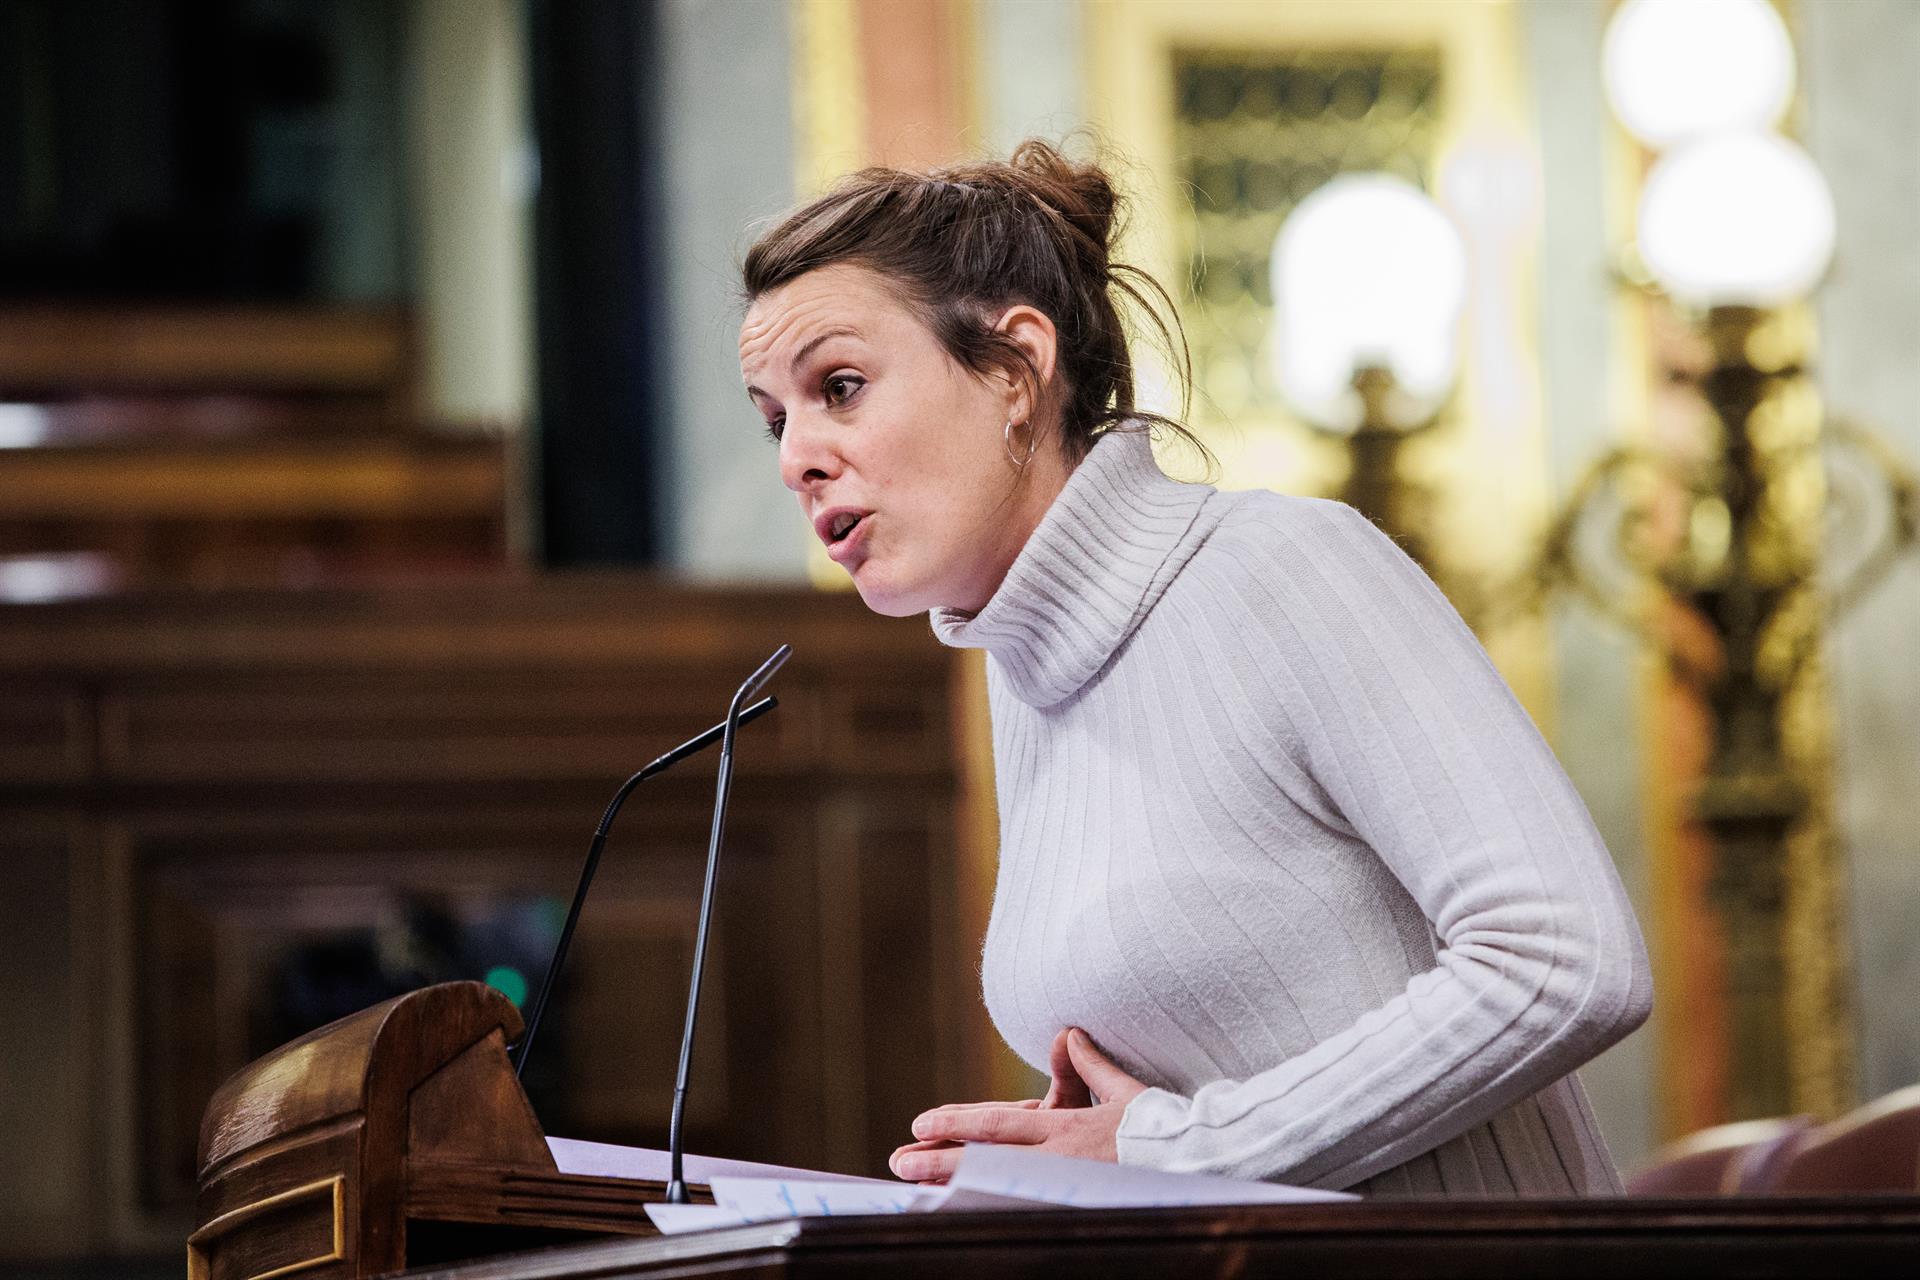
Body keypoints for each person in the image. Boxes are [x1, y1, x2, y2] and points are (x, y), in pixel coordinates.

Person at [737, 139, 1653, 1196]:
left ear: (1015, 367)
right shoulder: (1025, 669)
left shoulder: (1283, 569)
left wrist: (1179, 1148)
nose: (795, 455)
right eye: (775, 417)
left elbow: (1566, 957)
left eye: (839, 386)